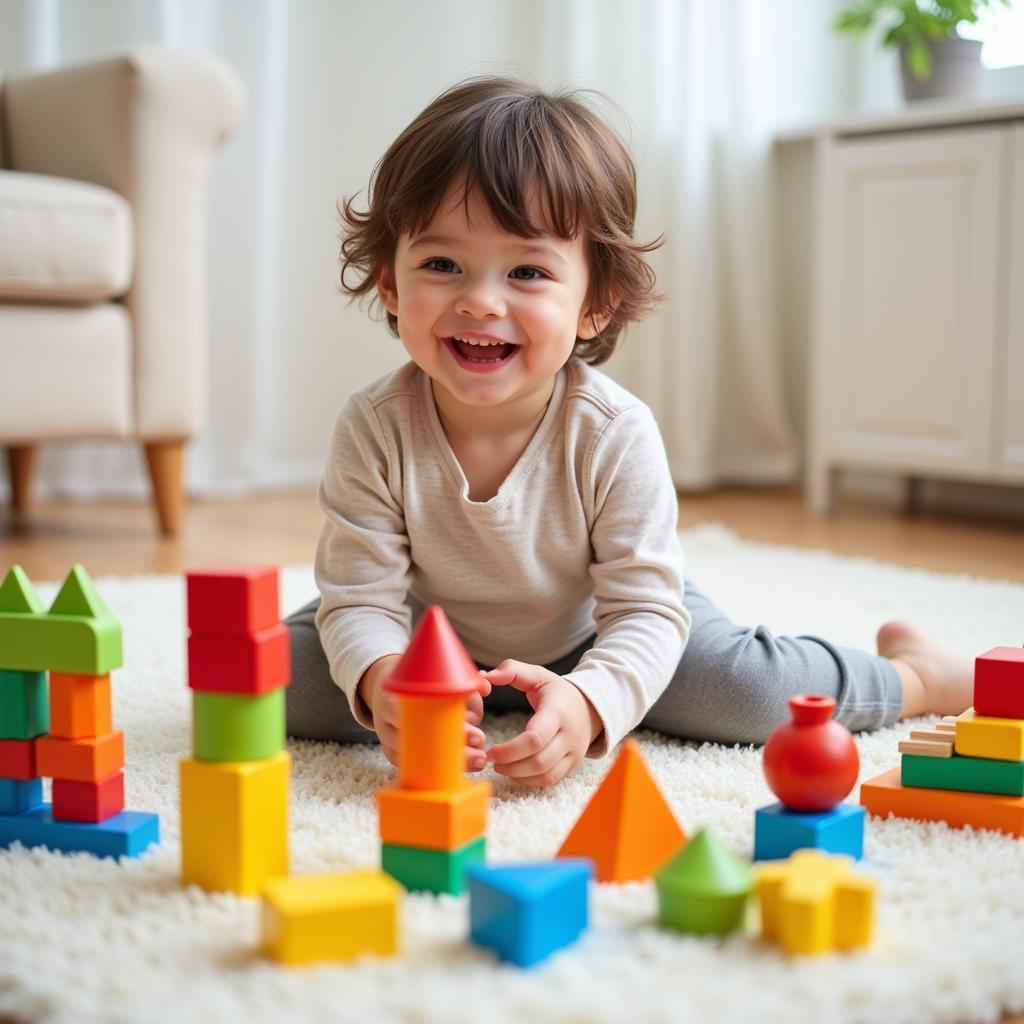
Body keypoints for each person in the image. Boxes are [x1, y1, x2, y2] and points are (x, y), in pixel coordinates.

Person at [285, 76, 972, 788]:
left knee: (743, 694)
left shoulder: (613, 431)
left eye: (526, 271)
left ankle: (914, 676)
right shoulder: (373, 427)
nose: (479, 300)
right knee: (276, 677)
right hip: (430, 635)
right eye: (441, 264)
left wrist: (591, 700)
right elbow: (361, 598)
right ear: (390, 285)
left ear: (596, 304)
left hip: (599, 624)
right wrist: (385, 679)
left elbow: (644, 608)